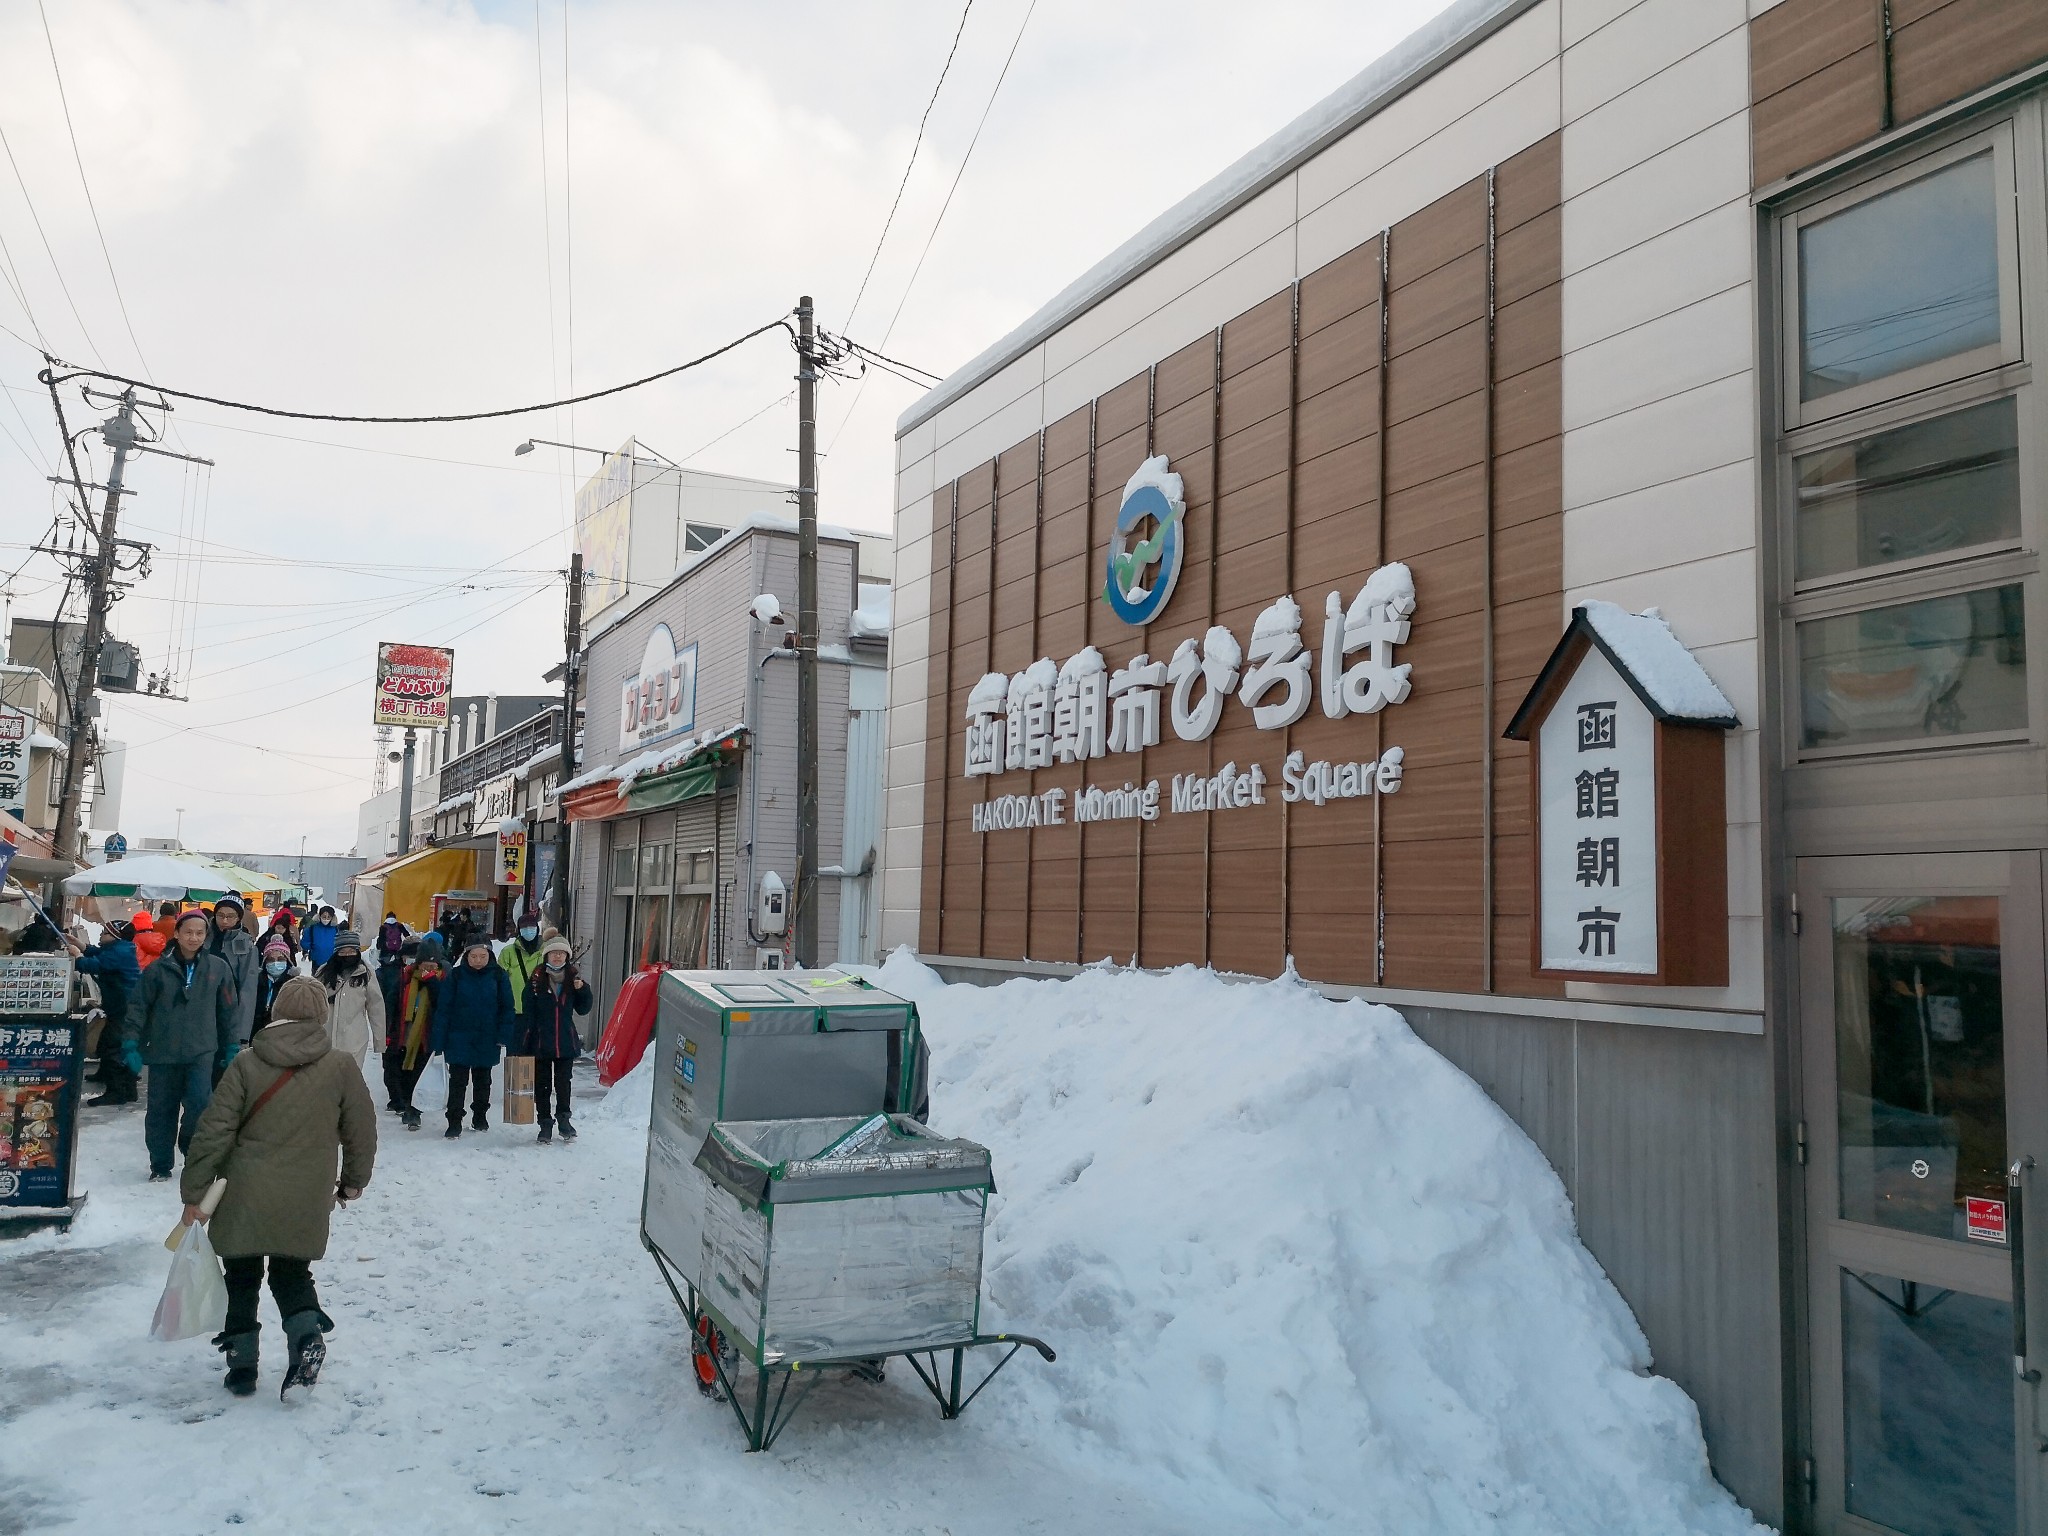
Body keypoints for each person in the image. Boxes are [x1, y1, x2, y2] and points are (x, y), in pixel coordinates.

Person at [179, 975, 377, 1398]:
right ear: (322, 1015)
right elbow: (361, 1129)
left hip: (243, 1190)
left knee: (242, 1276)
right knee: (292, 1273)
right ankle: (306, 1339)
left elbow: (214, 1130)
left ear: (277, 1011)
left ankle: (241, 1367)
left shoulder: (247, 1063)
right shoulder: (340, 1065)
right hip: (306, 1192)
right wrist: (354, 1182)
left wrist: (194, 1192)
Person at [121, 908, 237, 1181]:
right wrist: (130, 1043)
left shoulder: (217, 968)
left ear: (206, 936)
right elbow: (138, 1008)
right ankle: (160, 1164)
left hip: (201, 1051)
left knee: (200, 1106)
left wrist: (231, 1045)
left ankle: (191, 1149)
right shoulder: (157, 970)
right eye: (188, 932)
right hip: (163, 1051)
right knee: (161, 1110)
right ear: (176, 933)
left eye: (199, 933)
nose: (193, 938)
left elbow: (228, 1011)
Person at [430, 937, 512, 1139]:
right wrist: (439, 1040)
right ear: (466, 956)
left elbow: (507, 1008)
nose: (478, 960)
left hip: (487, 1036)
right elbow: (444, 1009)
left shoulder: (499, 976)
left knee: (483, 1080)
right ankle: (454, 1120)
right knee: (458, 1081)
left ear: (490, 956)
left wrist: (503, 1035)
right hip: (459, 1037)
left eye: (482, 956)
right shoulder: (456, 976)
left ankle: (480, 1116)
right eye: (473, 956)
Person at [519, 935, 592, 1145]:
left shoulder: (574, 979)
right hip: (541, 1041)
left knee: (563, 1084)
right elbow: (527, 1009)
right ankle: (544, 1124)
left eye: (561, 953)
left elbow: (583, 1008)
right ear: (546, 956)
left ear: (567, 956)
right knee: (542, 1085)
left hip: (565, 1041)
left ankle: (564, 1121)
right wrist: (526, 1038)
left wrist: (583, 990)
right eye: (553, 953)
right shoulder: (536, 980)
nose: (558, 956)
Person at [71, 920, 141, 1106]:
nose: (101, 934)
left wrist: (78, 956)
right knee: (108, 1043)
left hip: (124, 1007)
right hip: (120, 1005)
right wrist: (81, 945)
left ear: (116, 935)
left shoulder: (119, 952)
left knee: (114, 1047)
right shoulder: (119, 948)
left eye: (105, 932)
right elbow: (99, 953)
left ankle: (118, 1091)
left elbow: (93, 965)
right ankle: (118, 1083)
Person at [315, 930, 383, 1090]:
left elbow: (376, 1007)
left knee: (348, 1082)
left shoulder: (366, 973)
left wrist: (379, 1040)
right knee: (325, 1083)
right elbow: (313, 1002)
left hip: (355, 1038)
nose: (347, 955)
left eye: (351, 951)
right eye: (343, 951)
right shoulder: (324, 972)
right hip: (326, 1035)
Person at [386, 941, 443, 1130]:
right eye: (425, 965)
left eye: (433, 966)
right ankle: (405, 1103)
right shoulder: (405, 978)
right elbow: (391, 1005)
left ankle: (413, 1111)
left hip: (426, 1037)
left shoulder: (442, 980)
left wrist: (432, 982)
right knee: (402, 1074)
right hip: (404, 1034)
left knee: (419, 1075)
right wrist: (388, 1031)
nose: (428, 969)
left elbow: (443, 1005)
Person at [208, 897, 260, 1072]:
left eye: (230, 916)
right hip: (202, 1017)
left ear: (239, 918)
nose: (224, 921)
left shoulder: (246, 946)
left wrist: (242, 1035)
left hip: (228, 1017)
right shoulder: (202, 938)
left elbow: (248, 990)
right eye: (220, 915)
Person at [497, 914, 546, 1024]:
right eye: (524, 928)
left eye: (532, 927)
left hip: (539, 1010)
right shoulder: (508, 952)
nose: (528, 930)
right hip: (514, 1010)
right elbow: (499, 979)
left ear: (537, 929)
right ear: (519, 930)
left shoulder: (546, 952)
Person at [250, 939, 294, 1036]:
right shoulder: (255, 981)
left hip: (282, 1032)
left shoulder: (292, 984)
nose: (275, 963)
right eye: (270, 959)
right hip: (257, 1029)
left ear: (287, 961)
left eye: (280, 959)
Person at [303, 906, 340, 972]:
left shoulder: (336, 929)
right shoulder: (312, 927)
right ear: (319, 916)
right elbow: (304, 942)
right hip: (317, 960)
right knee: (317, 981)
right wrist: (311, 946)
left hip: (332, 961)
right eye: (324, 917)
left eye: (328, 917)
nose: (326, 919)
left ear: (332, 918)